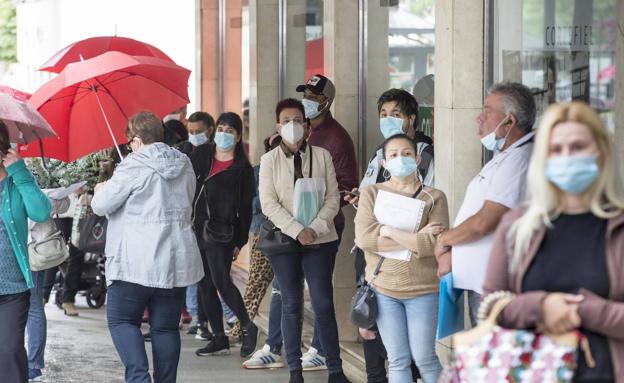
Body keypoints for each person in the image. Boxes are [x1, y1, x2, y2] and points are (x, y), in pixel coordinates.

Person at [482, 101, 624, 382]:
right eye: (556, 150)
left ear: (601, 152)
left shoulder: (619, 226)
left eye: (578, 147)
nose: (567, 157)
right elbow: (491, 307)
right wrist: (542, 306)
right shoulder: (518, 225)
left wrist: (584, 310)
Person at [92, 111, 204, 383]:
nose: (129, 147)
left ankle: (139, 378)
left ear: (138, 140)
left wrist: (100, 188)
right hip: (175, 261)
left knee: (121, 321)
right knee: (165, 329)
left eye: (130, 142)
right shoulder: (184, 163)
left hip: (135, 262)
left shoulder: (132, 165)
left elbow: (101, 205)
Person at [259, 98, 350, 383]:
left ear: (307, 125)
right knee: (291, 303)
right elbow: (268, 203)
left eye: (298, 120)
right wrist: (297, 229)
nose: (293, 126)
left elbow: (333, 197)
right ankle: (295, 371)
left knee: (323, 303)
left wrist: (316, 227)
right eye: (287, 121)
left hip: (320, 240)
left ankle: (335, 370)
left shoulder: (322, 156)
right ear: (278, 126)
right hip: (284, 241)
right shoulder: (269, 160)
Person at [434, 82, 537, 325]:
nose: (479, 118)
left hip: (497, 288)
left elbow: (485, 221)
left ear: (509, 122)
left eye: (487, 110)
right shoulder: (506, 156)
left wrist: (444, 240)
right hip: (482, 283)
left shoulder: (519, 159)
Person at [354, 133, 447, 383]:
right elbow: (365, 240)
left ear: (417, 159)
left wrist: (388, 230)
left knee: (425, 357)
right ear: (383, 163)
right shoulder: (371, 193)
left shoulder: (434, 197)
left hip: (424, 290)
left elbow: (432, 244)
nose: (400, 159)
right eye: (393, 155)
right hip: (384, 289)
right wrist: (416, 237)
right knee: (397, 360)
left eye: (406, 153)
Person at [296, 74, 358, 371]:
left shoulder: (337, 138)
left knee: (320, 289)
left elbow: (347, 187)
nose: (307, 100)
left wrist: (320, 213)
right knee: (303, 289)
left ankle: (321, 348)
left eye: (313, 96)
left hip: (326, 225)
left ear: (326, 102)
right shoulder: (305, 132)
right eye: (305, 94)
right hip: (298, 226)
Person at [190, 112, 257, 358]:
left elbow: (246, 209)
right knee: (204, 283)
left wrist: (240, 241)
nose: (224, 134)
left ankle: (248, 325)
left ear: (238, 136)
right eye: (221, 128)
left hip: (222, 233)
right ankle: (219, 337)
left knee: (221, 281)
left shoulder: (242, 170)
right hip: (198, 229)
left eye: (230, 130)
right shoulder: (201, 156)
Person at [0, 121, 52, 383]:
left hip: (12, 288)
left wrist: (20, 173)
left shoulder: (16, 182)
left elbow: (42, 212)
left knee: (9, 352)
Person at [357, 88, 434, 191]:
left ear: (411, 119)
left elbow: (429, 197)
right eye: (384, 115)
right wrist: (361, 199)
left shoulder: (425, 154)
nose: (388, 120)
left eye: (395, 115)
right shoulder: (380, 152)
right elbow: (367, 188)